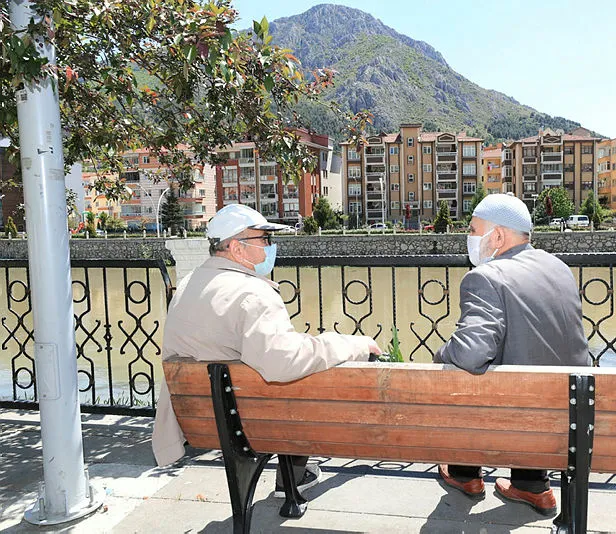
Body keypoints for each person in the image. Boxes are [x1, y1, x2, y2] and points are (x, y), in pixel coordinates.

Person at [152, 204, 381, 497]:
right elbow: (283, 363)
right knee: (303, 378)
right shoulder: (252, 292)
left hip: (205, 421)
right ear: (237, 248)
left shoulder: (188, 284)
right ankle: (292, 477)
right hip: (254, 425)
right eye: (264, 240)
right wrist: (352, 344)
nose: (271, 247)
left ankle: (292, 475)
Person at [434, 192, 590, 517]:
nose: (470, 237)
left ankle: (465, 475)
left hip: (518, 425)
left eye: (474, 230)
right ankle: (533, 486)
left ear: (499, 236)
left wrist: (441, 353)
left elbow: (470, 352)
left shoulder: (485, 277)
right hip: (572, 422)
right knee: (524, 362)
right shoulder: (559, 267)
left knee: (458, 374)